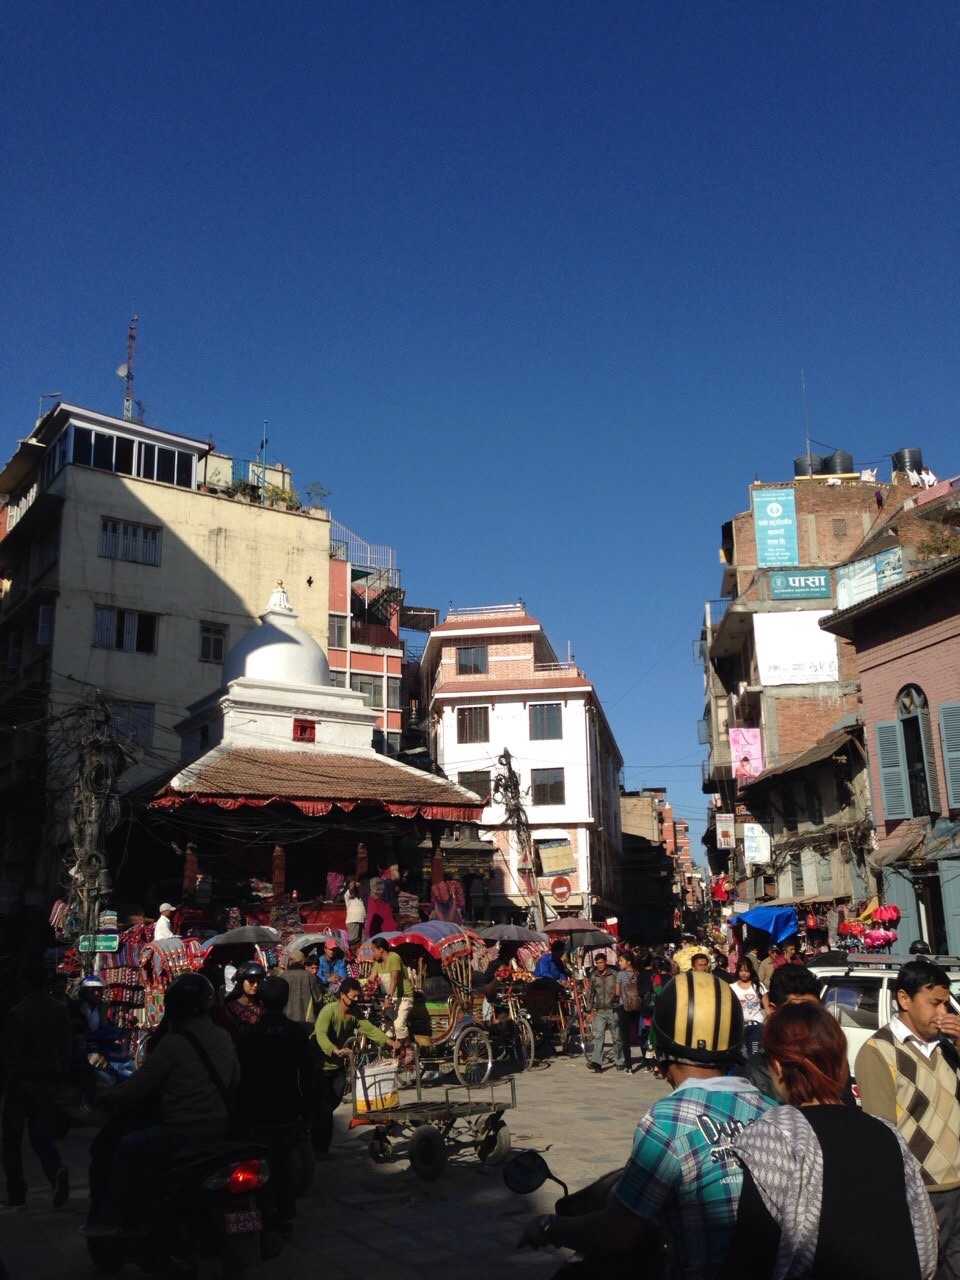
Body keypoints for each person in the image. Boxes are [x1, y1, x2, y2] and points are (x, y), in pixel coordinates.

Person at [521, 971, 771, 1279]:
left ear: (662, 1047)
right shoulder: (772, 1110)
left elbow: (617, 1231)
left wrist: (550, 1227)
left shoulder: (668, 1121)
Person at [726, 1002, 937, 1280]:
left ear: (777, 1065)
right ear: (840, 1061)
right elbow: (925, 1247)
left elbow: (751, 1255)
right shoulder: (888, 1134)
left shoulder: (777, 1134)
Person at [87, 973, 239, 1235]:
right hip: (220, 1128)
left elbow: (139, 1087)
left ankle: (112, 1220)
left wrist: (109, 1097)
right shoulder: (223, 1036)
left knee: (125, 1148)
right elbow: (236, 1079)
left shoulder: (173, 1043)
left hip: (182, 1132)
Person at [856, 959, 960, 1280]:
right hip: (923, 1194)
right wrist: (905, 1200)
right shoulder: (879, 1051)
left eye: (946, 1004)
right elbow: (882, 1136)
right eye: (934, 1003)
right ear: (904, 999)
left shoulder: (947, 1048)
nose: (943, 1012)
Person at [237, 976, 312, 1227]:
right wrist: (308, 1109)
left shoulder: (250, 1033)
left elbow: (241, 1074)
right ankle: (285, 1213)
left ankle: (264, 1212)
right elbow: (309, 1074)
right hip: (288, 1107)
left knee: (260, 1164)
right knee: (284, 1163)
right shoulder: (297, 1032)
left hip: (257, 1109)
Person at [2, 962, 71, 1210]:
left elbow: (12, 1053)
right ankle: (55, 1171)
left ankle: (17, 1192)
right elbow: (67, 1048)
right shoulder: (59, 1010)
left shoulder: (18, 1012)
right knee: (40, 1134)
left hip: (22, 1081)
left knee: (12, 1139)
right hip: (49, 1080)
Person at [311, 978, 395, 1155]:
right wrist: (334, 1050)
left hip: (338, 1068)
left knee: (331, 1104)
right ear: (342, 995)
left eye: (358, 997)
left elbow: (369, 1029)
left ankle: (317, 1132)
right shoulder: (328, 1011)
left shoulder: (355, 1012)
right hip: (319, 1066)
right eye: (353, 997)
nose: (356, 1000)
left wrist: (389, 1042)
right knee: (324, 1110)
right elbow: (320, 1034)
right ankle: (320, 1149)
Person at [369, 936, 414, 1043]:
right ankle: (393, 1049)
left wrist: (388, 998)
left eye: (373, 950)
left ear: (381, 949)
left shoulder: (394, 957)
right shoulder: (377, 962)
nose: (372, 954)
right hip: (391, 998)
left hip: (404, 997)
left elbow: (394, 980)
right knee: (386, 1026)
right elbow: (371, 978)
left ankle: (408, 1049)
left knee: (398, 1025)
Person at [587, 952, 625, 1073]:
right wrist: (589, 1009)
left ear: (605, 962)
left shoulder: (614, 974)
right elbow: (590, 993)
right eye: (597, 963)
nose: (599, 965)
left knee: (617, 1037)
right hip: (600, 1011)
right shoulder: (594, 976)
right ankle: (597, 1062)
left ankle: (620, 1060)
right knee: (598, 1036)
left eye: (601, 962)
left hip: (613, 1009)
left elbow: (621, 990)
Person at [731, 958, 767, 1058]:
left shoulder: (758, 986)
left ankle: (754, 1064)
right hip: (739, 1026)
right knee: (741, 1053)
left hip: (756, 1025)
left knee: (754, 1051)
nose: (744, 974)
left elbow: (767, 1007)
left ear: (751, 971)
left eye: (746, 971)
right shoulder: (732, 987)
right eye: (741, 970)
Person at [221, 961, 265, 1036]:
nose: (255, 985)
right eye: (251, 981)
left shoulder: (262, 1003)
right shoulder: (230, 1008)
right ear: (241, 981)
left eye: (258, 981)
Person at [617, 954, 641, 1073]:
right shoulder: (638, 974)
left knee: (625, 1037)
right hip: (637, 1007)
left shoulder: (620, 974)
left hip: (624, 1006)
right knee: (639, 1034)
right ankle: (648, 1062)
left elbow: (617, 992)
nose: (619, 963)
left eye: (621, 961)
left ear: (629, 962)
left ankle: (629, 1066)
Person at [281, 950, 316, 1026]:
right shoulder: (309, 976)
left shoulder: (283, 976)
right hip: (306, 1021)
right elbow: (318, 998)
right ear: (302, 962)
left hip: (287, 1019)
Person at [344, 880, 366, 948]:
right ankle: (353, 954)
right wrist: (354, 884)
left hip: (361, 921)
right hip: (353, 921)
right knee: (354, 942)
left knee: (361, 942)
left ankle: (360, 954)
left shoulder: (360, 898)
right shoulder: (347, 895)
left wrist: (360, 886)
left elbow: (365, 890)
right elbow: (351, 888)